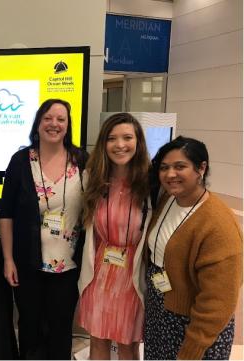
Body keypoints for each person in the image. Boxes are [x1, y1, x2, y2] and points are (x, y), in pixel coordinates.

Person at [0, 98, 88, 359]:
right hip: (28, 264)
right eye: (48, 118)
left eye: (61, 119)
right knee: (29, 327)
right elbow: (6, 215)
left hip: (69, 265)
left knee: (61, 329)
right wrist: (8, 259)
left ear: (68, 125)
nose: (54, 124)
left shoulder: (82, 160)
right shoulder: (20, 161)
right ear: (38, 123)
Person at [144, 136, 242, 360]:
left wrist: (192, 350)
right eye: (164, 168)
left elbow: (219, 300)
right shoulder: (169, 199)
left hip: (193, 326)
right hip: (161, 312)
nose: (170, 175)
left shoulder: (218, 224)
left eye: (180, 167)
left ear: (201, 168)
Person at [77, 112, 151, 360]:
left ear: (138, 142)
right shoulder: (93, 180)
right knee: (98, 340)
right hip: (99, 273)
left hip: (132, 276)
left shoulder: (150, 184)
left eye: (127, 137)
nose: (120, 145)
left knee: (128, 344)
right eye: (112, 138)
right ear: (103, 144)